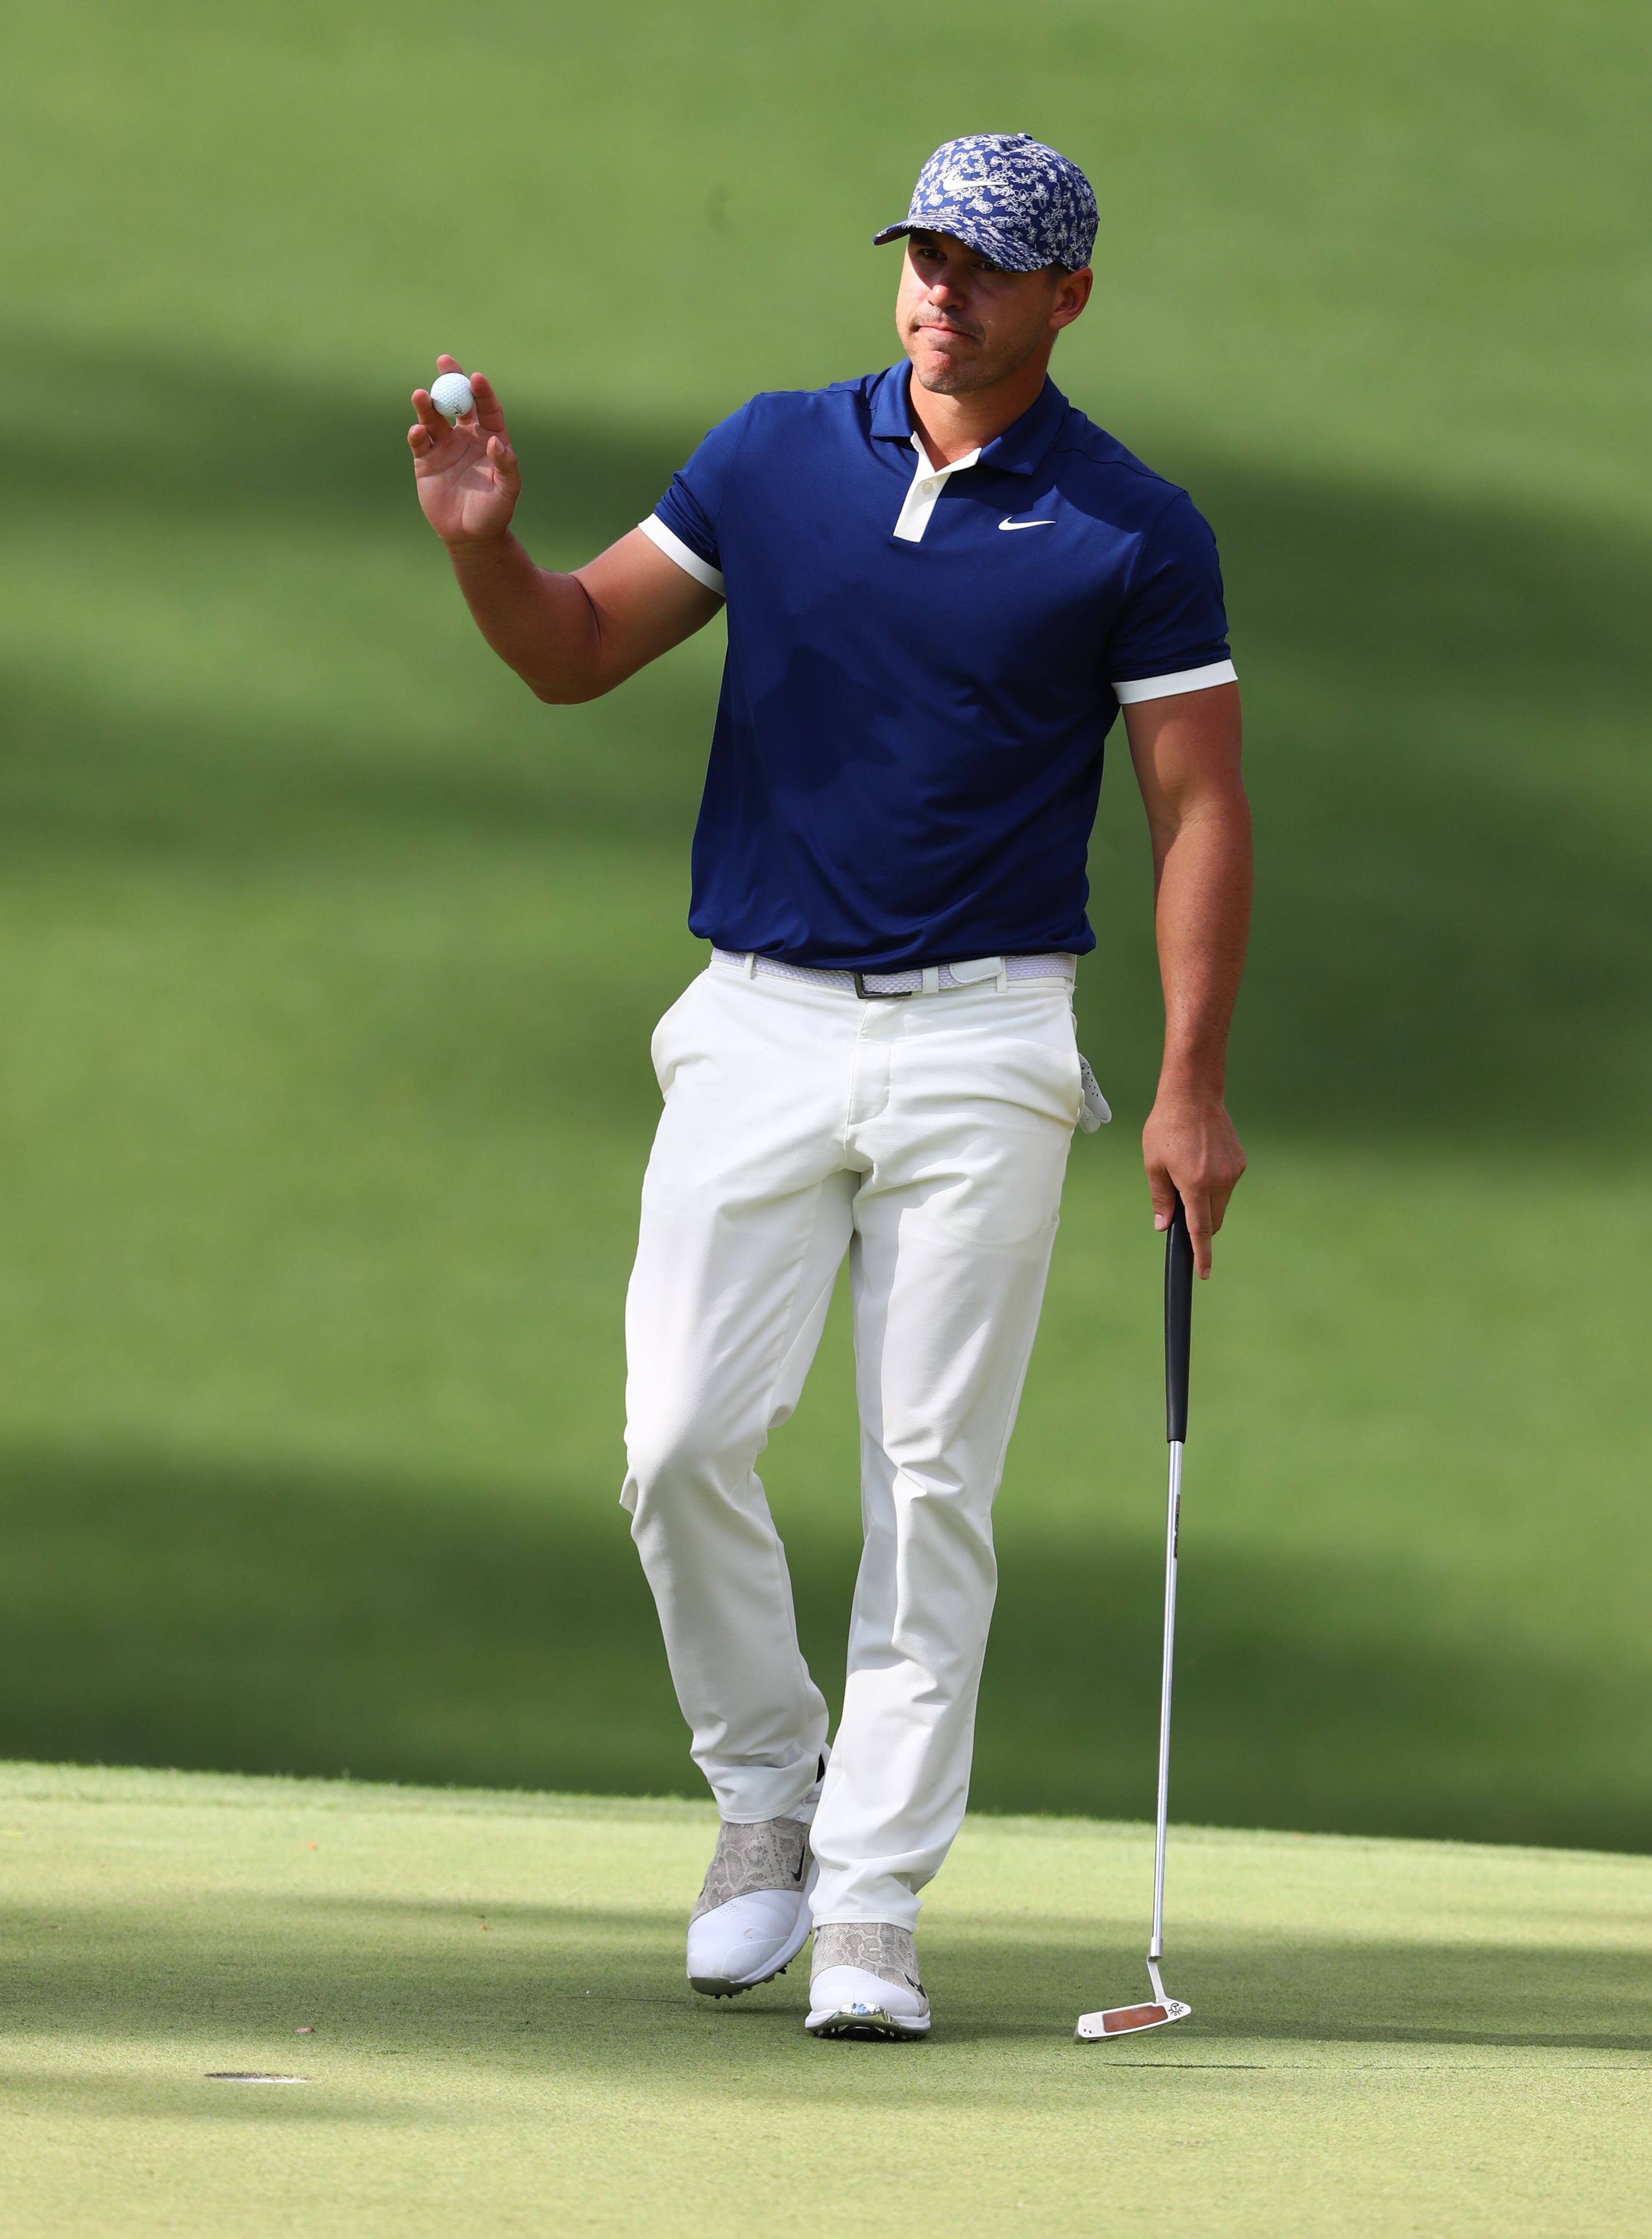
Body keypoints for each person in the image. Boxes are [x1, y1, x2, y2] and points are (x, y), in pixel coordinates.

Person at [407, 132, 1250, 2042]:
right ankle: (768, 1789)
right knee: (678, 1441)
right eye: (926, 254)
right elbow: (578, 650)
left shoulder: (1133, 527)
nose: (943, 290)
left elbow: (1199, 808)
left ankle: (871, 1898)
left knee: (932, 1481)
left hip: (988, 1038)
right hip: (759, 1019)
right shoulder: (774, 455)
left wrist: (1190, 1085)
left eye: (987, 266)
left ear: (1068, 297)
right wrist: (482, 550)